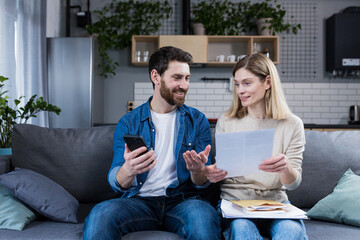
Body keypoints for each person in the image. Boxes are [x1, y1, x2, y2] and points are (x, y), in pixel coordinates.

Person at [83, 46, 221, 240]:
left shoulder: (197, 121)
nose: (185, 85)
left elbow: (201, 183)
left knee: (204, 216)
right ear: (156, 77)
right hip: (139, 202)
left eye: (187, 78)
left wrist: (198, 170)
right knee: (100, 214)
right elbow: (116, 180)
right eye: (177, 78)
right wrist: (129, 170)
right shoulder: (129, 122)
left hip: (182, 202)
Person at [204, 53, 308, 240]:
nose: (240, 90)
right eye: (237, 84)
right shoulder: (227, 121)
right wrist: (212, 173)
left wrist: (286, 167)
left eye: (247, 83)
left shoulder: (292, 124)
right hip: (236, 204)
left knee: (291, 233)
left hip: (276, 205)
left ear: (267, 82)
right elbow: (223, 168)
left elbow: (293, 184)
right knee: (242, 231)